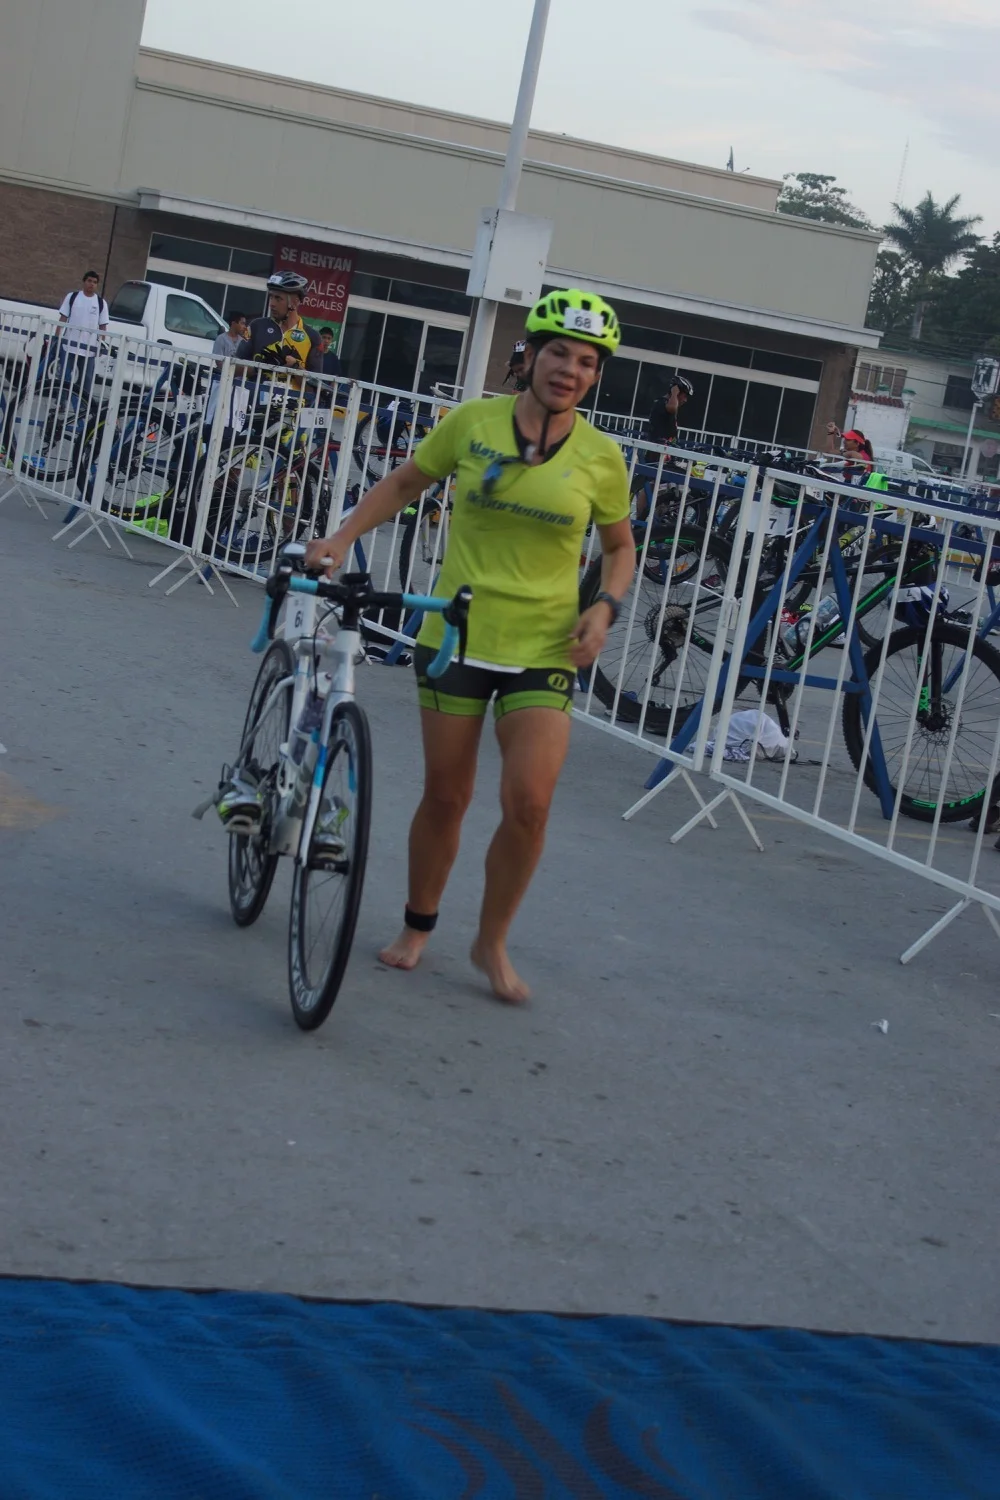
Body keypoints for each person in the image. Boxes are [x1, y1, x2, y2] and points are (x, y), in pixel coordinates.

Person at [304, 288, 635, 1004]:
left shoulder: (602, 456)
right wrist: (341, 538)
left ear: (596, 375)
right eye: (558, 354)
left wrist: (604, 607)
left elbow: (619, 548)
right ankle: (418, 924)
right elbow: (405, 482)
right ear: (530, 356)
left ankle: (491, 940)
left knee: (530, 804)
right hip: (455, 634)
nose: (570, 370)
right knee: (448, 796)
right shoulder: (473, 423)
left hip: (544, 646)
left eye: (586, 362)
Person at [55, 269, 109, 403]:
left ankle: (84, 406)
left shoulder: (101, 303)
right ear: (84, 282)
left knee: (87, 379)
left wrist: (101, 344)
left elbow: (103, 327)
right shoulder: (72, 297)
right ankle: (61, 403)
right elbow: (62, 318)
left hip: (89, 348)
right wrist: (57, 337)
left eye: (95, 282)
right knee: (64, 376)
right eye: (89, 281)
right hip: (69, 344)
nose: (92, 284)